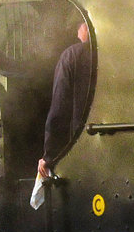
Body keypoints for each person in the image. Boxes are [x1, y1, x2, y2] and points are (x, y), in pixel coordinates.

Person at [37, 17, 94, 183]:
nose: (78, 34)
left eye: (79, 29)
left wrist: (49, 155)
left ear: (84, 28)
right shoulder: (115, 53)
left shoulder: (71, 56)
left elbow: (59, 108)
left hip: (81, 145)